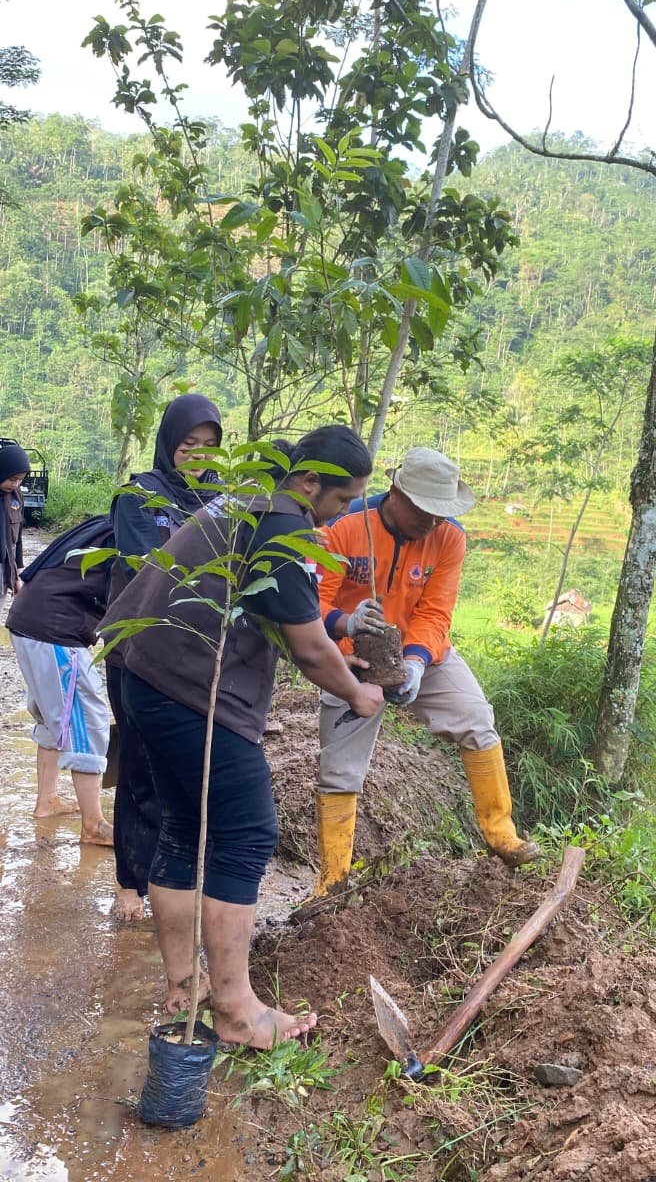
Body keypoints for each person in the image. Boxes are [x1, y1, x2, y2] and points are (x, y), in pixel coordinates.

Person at [98, 424, 384, 1048]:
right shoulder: (283, 525)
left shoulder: (245, 503)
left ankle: (184, 989)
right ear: (310, 481)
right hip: (189, 689)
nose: (341, 514)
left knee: (181, 825)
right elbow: (310, 647)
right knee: (247, 833)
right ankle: (234, 1008)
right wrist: (358, 693)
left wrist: (337, 654)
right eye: (341, 499)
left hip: (143, 674)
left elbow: (284, 618)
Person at [313, 447, 541, 897]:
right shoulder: (345, 525)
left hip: (425, 654)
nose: (432, 521)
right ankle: (332, 880)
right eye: (424, 510)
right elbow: (312, 603)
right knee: (339, 768)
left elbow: (436, 612)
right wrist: (345, 629)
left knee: (476, 718)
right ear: (396, 492)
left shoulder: (450, 539)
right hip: (350, 654)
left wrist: (415, 661)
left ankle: (502, 835)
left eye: (442, 513)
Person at [107, 393, 223, 921]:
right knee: (139, 763)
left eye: (209, 447)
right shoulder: (139, 495)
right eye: (188, 445)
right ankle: (130, 882)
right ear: (168, 444)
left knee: (185, 769)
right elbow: (143, 569)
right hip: (138, 648)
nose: (197, 456)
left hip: (198, 655)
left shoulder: (226, 500)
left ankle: (175, 880)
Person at [7, 517, 116, 844]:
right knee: (86, 719)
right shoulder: (139, 531)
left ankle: (48, 800)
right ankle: (93, 825)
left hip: (29, 620)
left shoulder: (108, 523)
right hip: (55, 630)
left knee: (52, 714)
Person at [0, 442, 30, 601]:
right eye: (12, 479)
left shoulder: (15, 496)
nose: (16, 484)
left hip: (3, 569)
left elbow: (17, 539)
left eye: (20, 480)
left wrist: (17, 574)